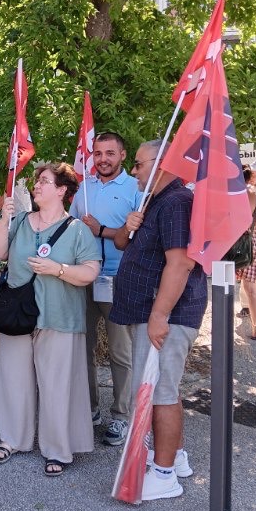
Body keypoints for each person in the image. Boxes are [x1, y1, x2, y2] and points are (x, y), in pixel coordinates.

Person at [0, 163, 100, 476]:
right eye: (37, 181)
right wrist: (4, 219)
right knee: (13, 379)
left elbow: (90, 271)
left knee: (56, 386)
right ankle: (12, 439)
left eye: (44, 181)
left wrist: (58, 270)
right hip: (17, 316)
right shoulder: (21, 221)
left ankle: (57, 449)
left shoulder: (77, 229)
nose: (37, 186)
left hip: (59, 317)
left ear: (62, 190)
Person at [111, 140, 208, 501]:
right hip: (156, 311)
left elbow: (180, 263)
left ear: (161, 163)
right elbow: (125, 244)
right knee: (164, 388)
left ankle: (164, 475)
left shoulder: (176, 202)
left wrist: (159, 315)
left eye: (138, 164)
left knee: (160, 393)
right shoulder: (156, 201)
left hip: (167, 313)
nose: (133, 171)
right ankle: (175, 457)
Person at [70, 131, 141, 445]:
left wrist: (102, 231)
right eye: (98, 153)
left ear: (122, 155)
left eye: (110, 153)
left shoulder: (136, 188)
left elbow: (138, 234)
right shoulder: (84, 188)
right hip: (84, 279)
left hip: (118, 280)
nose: (103, 159)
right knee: (82, 348)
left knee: (120, 352)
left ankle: (121, 416)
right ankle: (90, 409)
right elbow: (70, 227)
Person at [237, 165, 256, 340]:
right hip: (251, 245)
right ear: (249, 178)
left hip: (230, 246)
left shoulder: (230, 196)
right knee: (252, 288)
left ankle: (222, 326)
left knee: (224, 285)